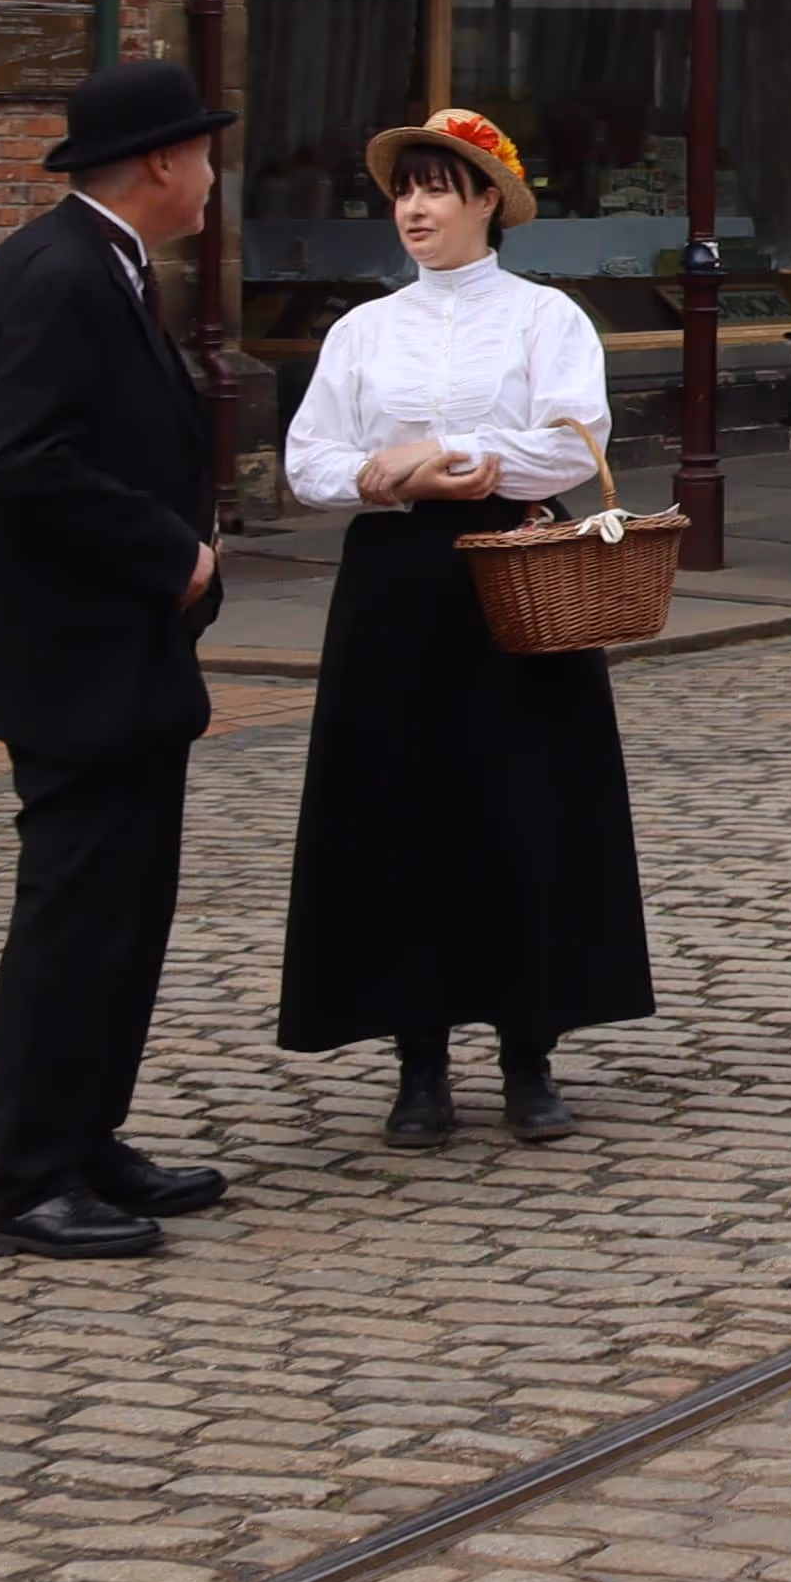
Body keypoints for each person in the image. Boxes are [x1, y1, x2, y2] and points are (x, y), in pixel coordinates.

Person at [0, 57, 239, 1262]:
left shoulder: (105, 264)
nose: (212, 174)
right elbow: (22, 460)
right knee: (77, 912)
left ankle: (88, 1139)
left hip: (117, 655)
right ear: (158, 162)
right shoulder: (59, 272)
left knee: (125, 908)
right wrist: (169, 553)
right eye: (201, 152)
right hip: (70, 656)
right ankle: (31, 1178)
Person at [271, 107, 658, 1149]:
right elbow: (309, 462)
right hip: (397, 586)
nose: (414, 208)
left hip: (518, 574)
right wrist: (382, 473)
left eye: (437, 188)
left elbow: (573, 441)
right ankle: (419, 1061)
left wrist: (472, 461)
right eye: (404, 191)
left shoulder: (546, 318)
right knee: (402, 812)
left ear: (489, 200)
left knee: (522, 803)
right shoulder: (364, 331)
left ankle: (530, 1050)